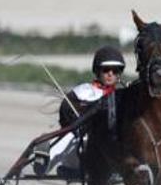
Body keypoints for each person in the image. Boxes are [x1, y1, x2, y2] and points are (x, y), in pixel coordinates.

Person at [33, 46, 125, 177]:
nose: (110, 74)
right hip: (79, 155)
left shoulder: (122, 96)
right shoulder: (83, 92)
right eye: (106, 70)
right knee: (73, 134)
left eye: (115, 71)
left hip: (107, 156)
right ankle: (44, 163)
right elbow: (65, 116)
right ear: (97, 71)